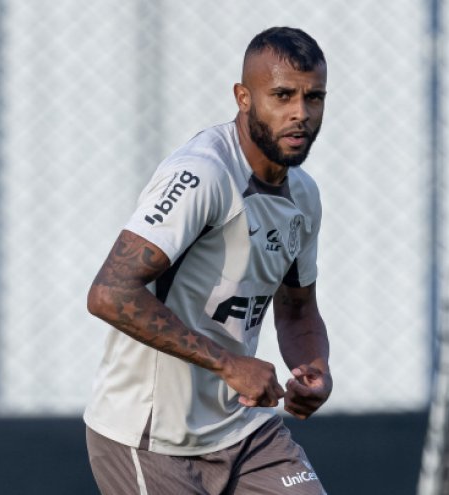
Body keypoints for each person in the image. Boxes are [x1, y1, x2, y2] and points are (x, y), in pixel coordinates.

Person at [83, 26, 332, 494]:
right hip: (150, 435)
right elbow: (109, 293)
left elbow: (298, 309)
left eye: (313, 98)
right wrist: (228, 363)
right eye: (282, 96)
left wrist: (314, 366)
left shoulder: (305, 196)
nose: (300, 113)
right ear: (243, 97)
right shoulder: (202, 175)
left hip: (243, 429)